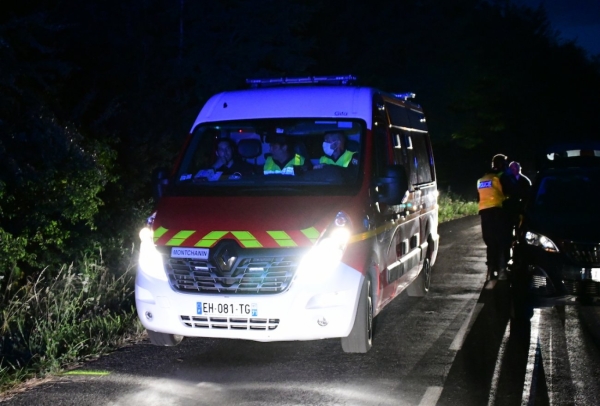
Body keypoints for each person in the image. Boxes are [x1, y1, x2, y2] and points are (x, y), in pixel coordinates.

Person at [477, 154, 515, 281]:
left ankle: (491, 269)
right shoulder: (502, 176)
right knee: (503, 239)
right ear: (501, 164)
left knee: (490, 241)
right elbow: (511, 191)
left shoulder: (483, 178)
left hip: (484, 213)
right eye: (504, 163)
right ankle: (502, 269)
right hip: (499, 211)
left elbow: (478, 197)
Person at [505, 161, 532, 232]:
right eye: (511, 168)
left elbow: (528, 193)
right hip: (511, 206)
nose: (513, 169)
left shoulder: (524, 180)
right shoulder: (507, 180)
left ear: (518, 168)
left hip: (521, 206)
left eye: (514, 167)